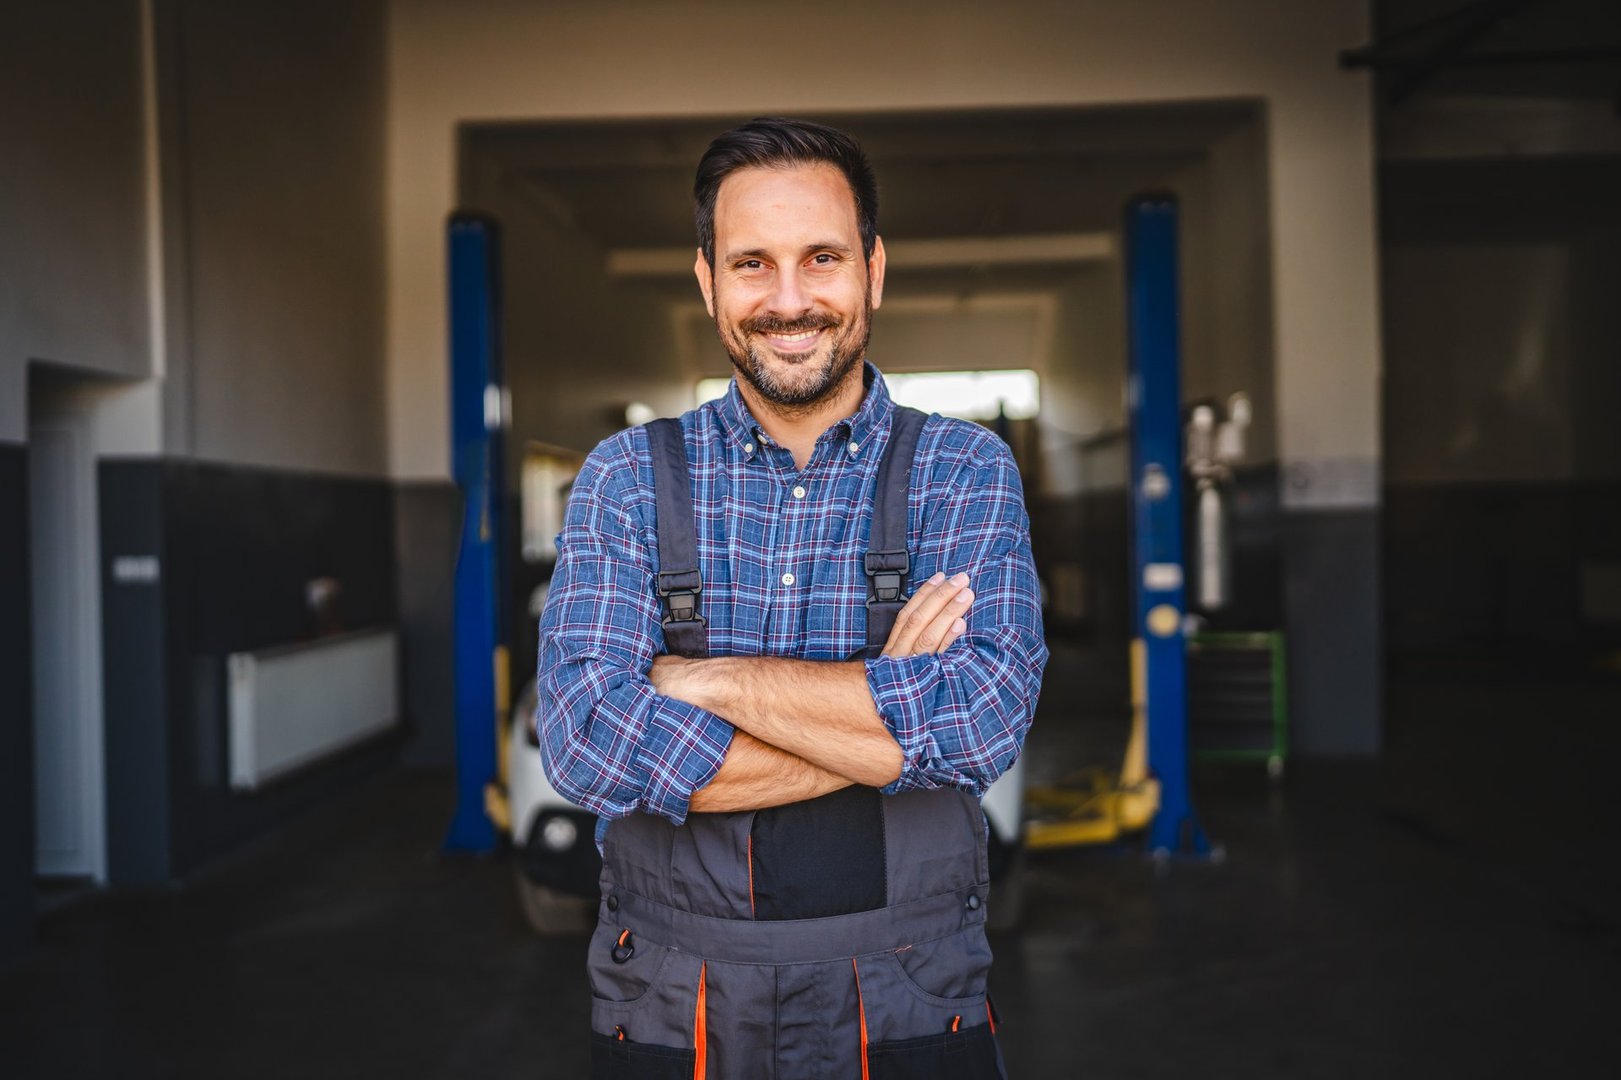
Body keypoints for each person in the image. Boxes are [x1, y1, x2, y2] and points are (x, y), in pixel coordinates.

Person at [538, 116, 1047, 1079]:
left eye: (821, 258)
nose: (788, 300)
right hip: (671, 1008)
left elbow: (979, 724)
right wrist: (884, 696)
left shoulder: (963, 469)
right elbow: (585, 741)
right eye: (750, 264)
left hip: (907, 996)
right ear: (706, 281)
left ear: (873, 269)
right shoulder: (626, 477)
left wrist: (706, 680)